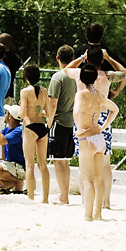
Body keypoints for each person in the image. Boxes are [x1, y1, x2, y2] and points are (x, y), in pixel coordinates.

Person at [73, 64, 118, 221]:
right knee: (99, 179)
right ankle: (98, 214)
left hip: (86, 138)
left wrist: (79, 127)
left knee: (88, 179)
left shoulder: (81, 94)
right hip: (99, 137)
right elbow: (115, 109)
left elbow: (77, 111)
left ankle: (88, 215)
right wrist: (103, 126)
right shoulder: (97, 94)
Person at [46, 45, 78, 205]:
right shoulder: (77, 76)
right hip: (73, 122)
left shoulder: (58, 77)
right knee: (65, 160)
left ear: (57, 58)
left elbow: (53, 104)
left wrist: (48, 123)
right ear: (73, 59)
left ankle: (63, 196)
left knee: (58, 161)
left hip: (59, 122)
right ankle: (64, 194)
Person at [18, 64, 49, 203]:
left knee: (29, 164)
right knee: (43, 165)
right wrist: (37, 109)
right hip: (42, 127)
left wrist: (20, 107)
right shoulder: (44, 91)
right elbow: (47, 112)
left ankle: (31, 196)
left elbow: (22, 113)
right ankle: (45, 198)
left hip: (30, 127)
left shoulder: (25, 92)